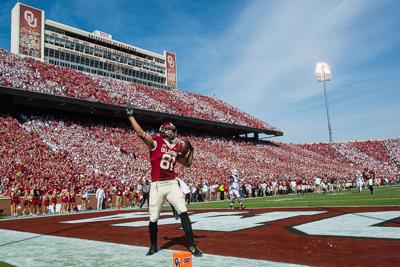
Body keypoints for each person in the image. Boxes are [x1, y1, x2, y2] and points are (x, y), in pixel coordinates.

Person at [127, 108, 202, 257]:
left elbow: (187, 164)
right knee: (154, 218)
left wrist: (191, 151)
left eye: (173, 130)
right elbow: (141, 134)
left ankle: (192, 245)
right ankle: (153, 246)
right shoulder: (156, 142)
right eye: (169, 130)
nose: (172, 132)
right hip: (157, 185)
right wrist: (130, 117)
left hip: (172, 183)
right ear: (162, 130)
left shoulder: (175, 147)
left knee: (183, 212)